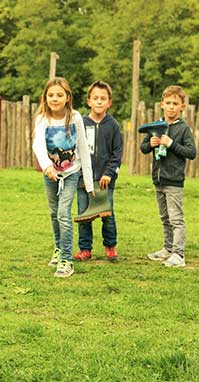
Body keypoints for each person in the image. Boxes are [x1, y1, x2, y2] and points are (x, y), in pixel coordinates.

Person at [32, 77, 94, 278]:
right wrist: (47, 166)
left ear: (67, 97)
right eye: (51, 95)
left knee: (63, 213)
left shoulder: (75, 118)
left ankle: (67, 260)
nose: (55, 99)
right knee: (53, 212)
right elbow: (38, 145)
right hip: (50, 173)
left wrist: (89, 181)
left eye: (59, 95)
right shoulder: (42, 119)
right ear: (45, 98)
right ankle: (58, 248)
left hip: (71, 173)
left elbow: (83, 148)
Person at [140, 85, 197, 267]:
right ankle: (167, 248)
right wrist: (151, 143)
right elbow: (143, 148)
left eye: (175, 103)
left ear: (182, 107)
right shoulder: (156, 126)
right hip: (158, 180)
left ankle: (179, 254)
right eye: (168, 103)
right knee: (164, 218)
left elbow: (191, 152)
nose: (171, 106)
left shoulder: (183, 129)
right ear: (161, 104)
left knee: (176, 218)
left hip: (174, 181)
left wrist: (171, 144)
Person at [74, 80, 123, 262]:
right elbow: (76, 150)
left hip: (104, 181)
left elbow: (117, 154)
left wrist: (109, 173)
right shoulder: (81, 124)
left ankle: (110, 246)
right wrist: (78, 173)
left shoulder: (113, 126)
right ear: (89, 101)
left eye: (103, 98)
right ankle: (85, 249)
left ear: (109, 102)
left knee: (107, 216)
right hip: (82, 181)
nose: (99, 102)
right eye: (95, 98)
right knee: (84, 215)